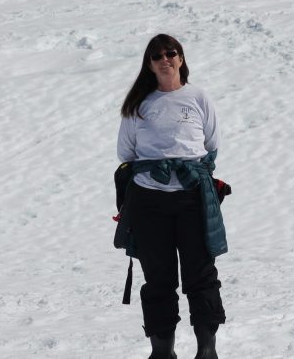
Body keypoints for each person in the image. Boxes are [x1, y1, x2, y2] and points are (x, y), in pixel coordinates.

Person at [117, 34, 228, 359]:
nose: (164, 59)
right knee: (158, 279)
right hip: (150, 203)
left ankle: (206, 350)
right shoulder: (138, 105)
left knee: (201, 275)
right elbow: (126, 152)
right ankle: (162, 352)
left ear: (181, 59)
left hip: (194, 199)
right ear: (149, 64)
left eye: (170, 53)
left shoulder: (198, 97)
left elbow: (211, 144)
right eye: (157, 56)